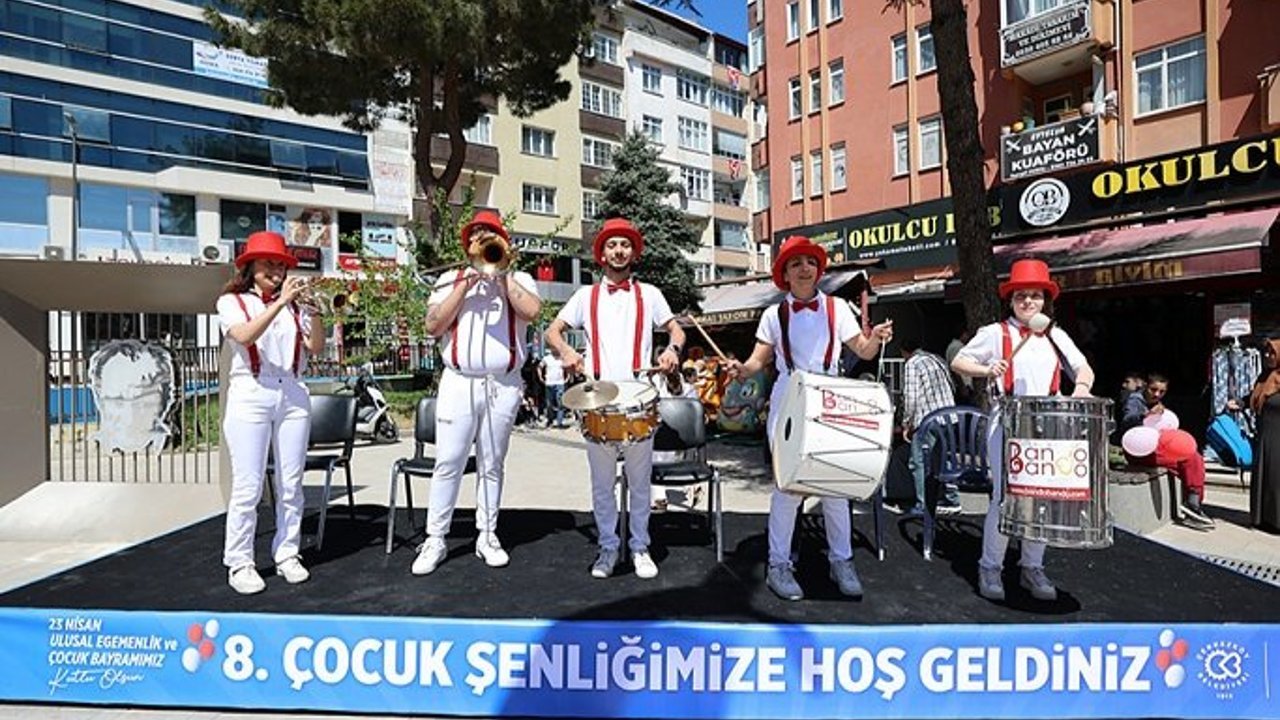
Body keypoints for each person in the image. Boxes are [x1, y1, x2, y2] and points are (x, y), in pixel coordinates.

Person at [725, 236, 894, 602]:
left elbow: (863, 350)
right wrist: (741, 370)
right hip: (789, 397)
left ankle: (841, 561)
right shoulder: (774, 315)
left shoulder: (838, 308)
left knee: (835, 485)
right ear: (785, 274)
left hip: (830, 395)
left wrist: (877, 338)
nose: (804, 268)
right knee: (787, 488)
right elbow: (758, 361)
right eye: (796, 263)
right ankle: (779, 565)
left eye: (810, 262)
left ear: (819, 270)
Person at [545, 217, 686, 580]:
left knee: (640, 483)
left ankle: (639, 547)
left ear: (633, 253)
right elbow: (552, 331)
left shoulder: (650, 294)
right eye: (612, 245)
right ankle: (608, 547)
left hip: (640, 399)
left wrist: (671, 350)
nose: (619, 251)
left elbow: (676, 330)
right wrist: (567, 352)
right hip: (599, 400)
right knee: (602, 484)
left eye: (625, 245)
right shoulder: (585, 296)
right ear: (602, 253)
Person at [951, 258, 1096, 603]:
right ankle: (990, 566)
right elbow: (958, 361)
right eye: (1020, 296)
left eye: (1035, 295)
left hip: (1047, 424)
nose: (1028, 301)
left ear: (1045, 300)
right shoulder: (995, 333)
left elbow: (1083, 368)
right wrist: (987, 370)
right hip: (1007, 421)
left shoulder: (1056, 336)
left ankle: (1032, 566)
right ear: (1011, 300)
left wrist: (1081, 389)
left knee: (1042, 498)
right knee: (1004, 497)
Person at [411, 210, 542, 576]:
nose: (482, 240)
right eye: (476, 235)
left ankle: (487, 534)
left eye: (490, 235)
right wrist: (465, 284)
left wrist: (501, 275)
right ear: (467, 243)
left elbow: (532, 311)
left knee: (492, 462)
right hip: (459, 380)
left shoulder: (518, 278)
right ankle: (436, 538)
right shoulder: (449, 279)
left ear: (503, 242)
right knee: (448, 460)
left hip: (503, 382)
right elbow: (433, 325)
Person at [216, 231, 326, 595]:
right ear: (250, 267)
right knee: (248, 485)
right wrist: (280, 303)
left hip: (292, 390)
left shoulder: (294, 304)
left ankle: (288, 552)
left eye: (281, 265)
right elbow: (244, 336)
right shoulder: (232, 301)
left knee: (291, 483)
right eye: (269, 264)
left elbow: (316, 346)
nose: (277, 272)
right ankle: (240, 561)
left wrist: (315, 311)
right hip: (252, 389)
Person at [1118, 373, 1212, 525]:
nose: (1157, 394)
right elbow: (1128, 420)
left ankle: (1192, 502)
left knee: (1192, 460)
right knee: (1191, 459)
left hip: (1154, 449)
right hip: (1139, 452)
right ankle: (1192, 503)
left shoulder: (1156, 403)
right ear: (1145, 387)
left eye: (1162, 392)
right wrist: (1146, 415)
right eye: (1153, 389)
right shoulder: (1135, 400)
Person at [900, 337, 961, 516]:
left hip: (928, 417)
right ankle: (951, 498)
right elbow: (952, 385)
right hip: (949, 415)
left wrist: (907, 423)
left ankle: (923, 504)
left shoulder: (912, 364)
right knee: (943, 458)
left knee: (918, 461)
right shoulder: (937, 359)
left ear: (904, 352)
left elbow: (911, 397)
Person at [1250, 339, 1280, 532]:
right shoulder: (1264, 377)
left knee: (1277, 479)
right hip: (1264, 435)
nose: (1267, 356)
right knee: (1264, 477)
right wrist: (1241, 402)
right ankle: (1263, 519)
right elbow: (1253, 396)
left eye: (1272, 353)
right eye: (1266, 353)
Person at [538, 348, 567, 428]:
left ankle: (559, 422)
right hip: (549, 383)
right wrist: (540, 377)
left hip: (560, 383)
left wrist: (568, 376)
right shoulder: (547, 358)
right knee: (549, 404)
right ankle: (550, 420)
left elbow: (567, 367)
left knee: (560, 403)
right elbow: (539, 367)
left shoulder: (562, 358)